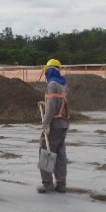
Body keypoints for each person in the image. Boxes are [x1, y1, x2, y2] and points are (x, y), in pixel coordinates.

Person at [38, 59, 69, 193]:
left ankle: (47, 184)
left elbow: (51, 107)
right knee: (60, 155)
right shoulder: (64, 84)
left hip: (54, 124)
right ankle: (61, 184)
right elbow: (59, 104)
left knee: (46, 152)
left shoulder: (52, 84)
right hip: (63, 123)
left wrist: (45, 124)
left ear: (49, 71)